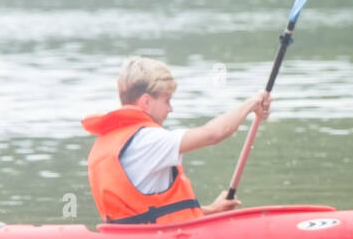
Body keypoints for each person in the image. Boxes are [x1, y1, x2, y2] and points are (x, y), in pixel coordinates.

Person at [81, 56, 272, 224]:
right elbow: (214, 133)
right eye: (167, 101)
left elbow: (148, 214)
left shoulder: (108, 142)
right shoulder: (148, 140)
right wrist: (253, 103)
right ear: (146, 101)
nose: (170, 109)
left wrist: (212, 210)